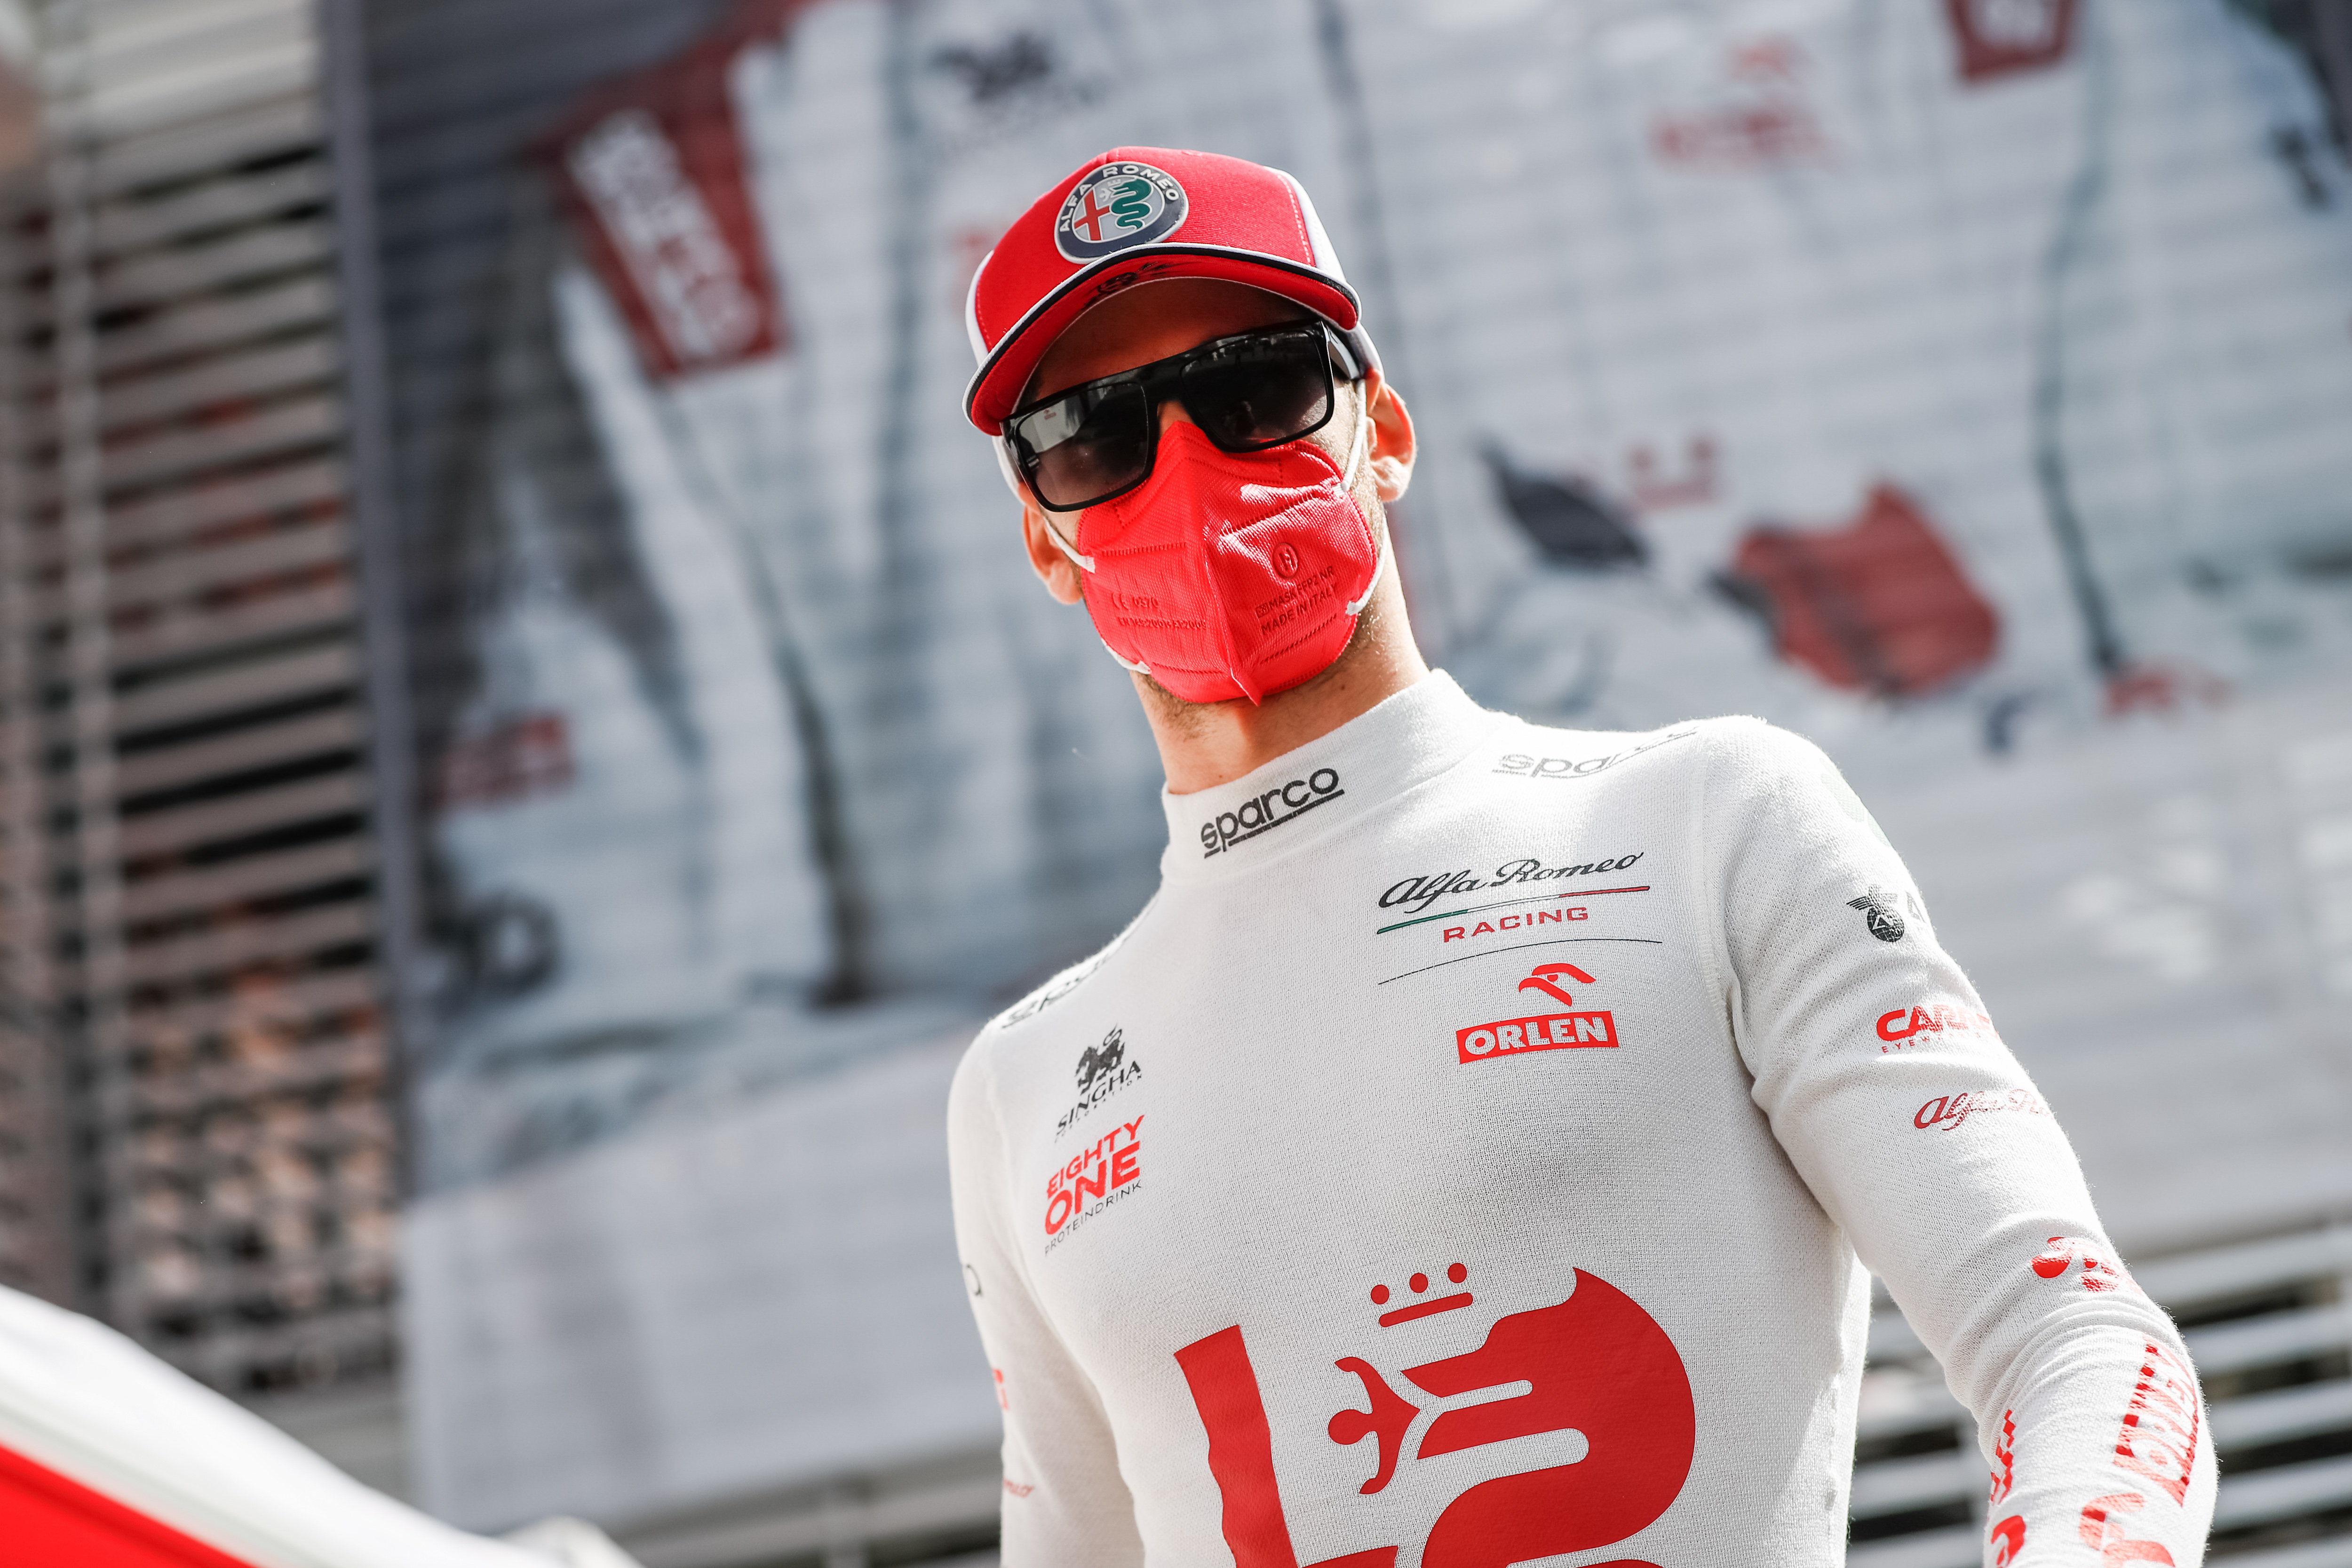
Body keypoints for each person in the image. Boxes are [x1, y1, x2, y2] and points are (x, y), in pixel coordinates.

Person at [946, 147, 2213, 1567]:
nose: (1190, 469)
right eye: (1095, 434)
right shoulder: (1021, 1087)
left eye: (1256, 389)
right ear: (1044, 540)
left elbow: (2076, 1343)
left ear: (1385, 431)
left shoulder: (1709, 820)